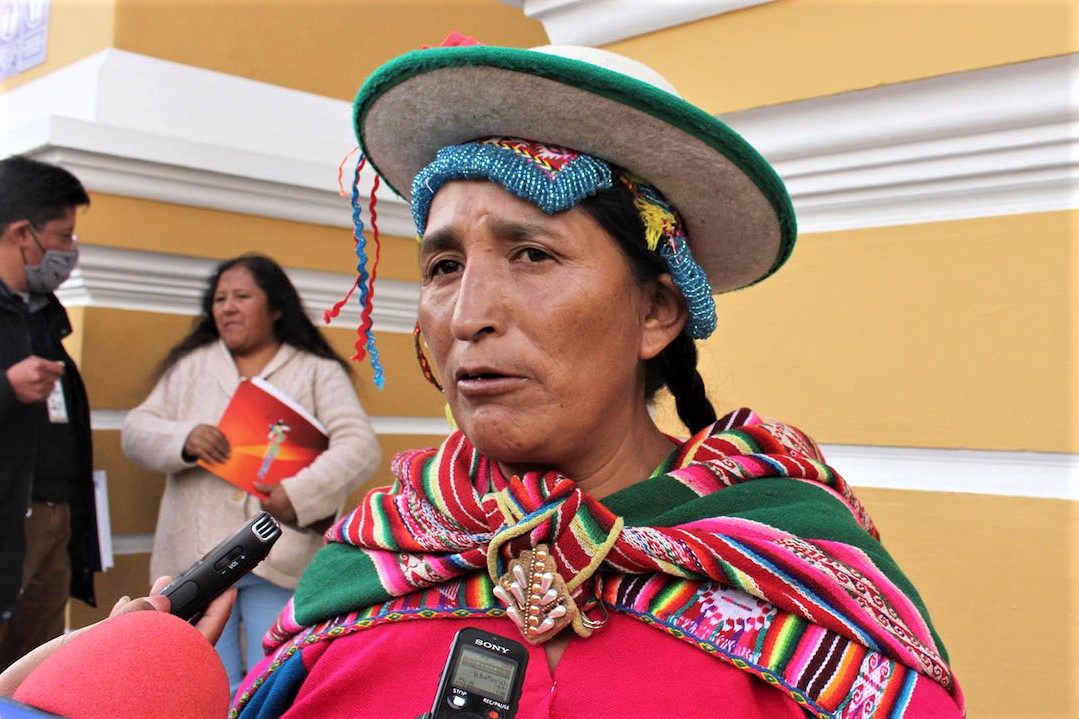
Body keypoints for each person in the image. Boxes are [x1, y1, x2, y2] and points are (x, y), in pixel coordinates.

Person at [225, 42, 966, 719]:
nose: (467, 315)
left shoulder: (799, 574)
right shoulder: (375, 563)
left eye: (532, 254)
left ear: (657, 310)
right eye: (444, 266)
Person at [121, 253, 381, 697]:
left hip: (279, 558)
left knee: (272, 681)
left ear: (275, 307)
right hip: (196, 564)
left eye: (241, 296)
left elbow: (360, 446)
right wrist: (184, 438)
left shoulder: (316, 371)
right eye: (220, 298)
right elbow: (135, 432)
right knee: (203, 685)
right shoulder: (191, 367)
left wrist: (297, 493)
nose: (227, 307)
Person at [0, 155, 100, 671]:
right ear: (22, 233)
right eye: (63, 237)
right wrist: (6, 388)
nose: (70, 252)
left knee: (31, 674)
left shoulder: (43, 314)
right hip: (8, 520)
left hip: (51, 519)